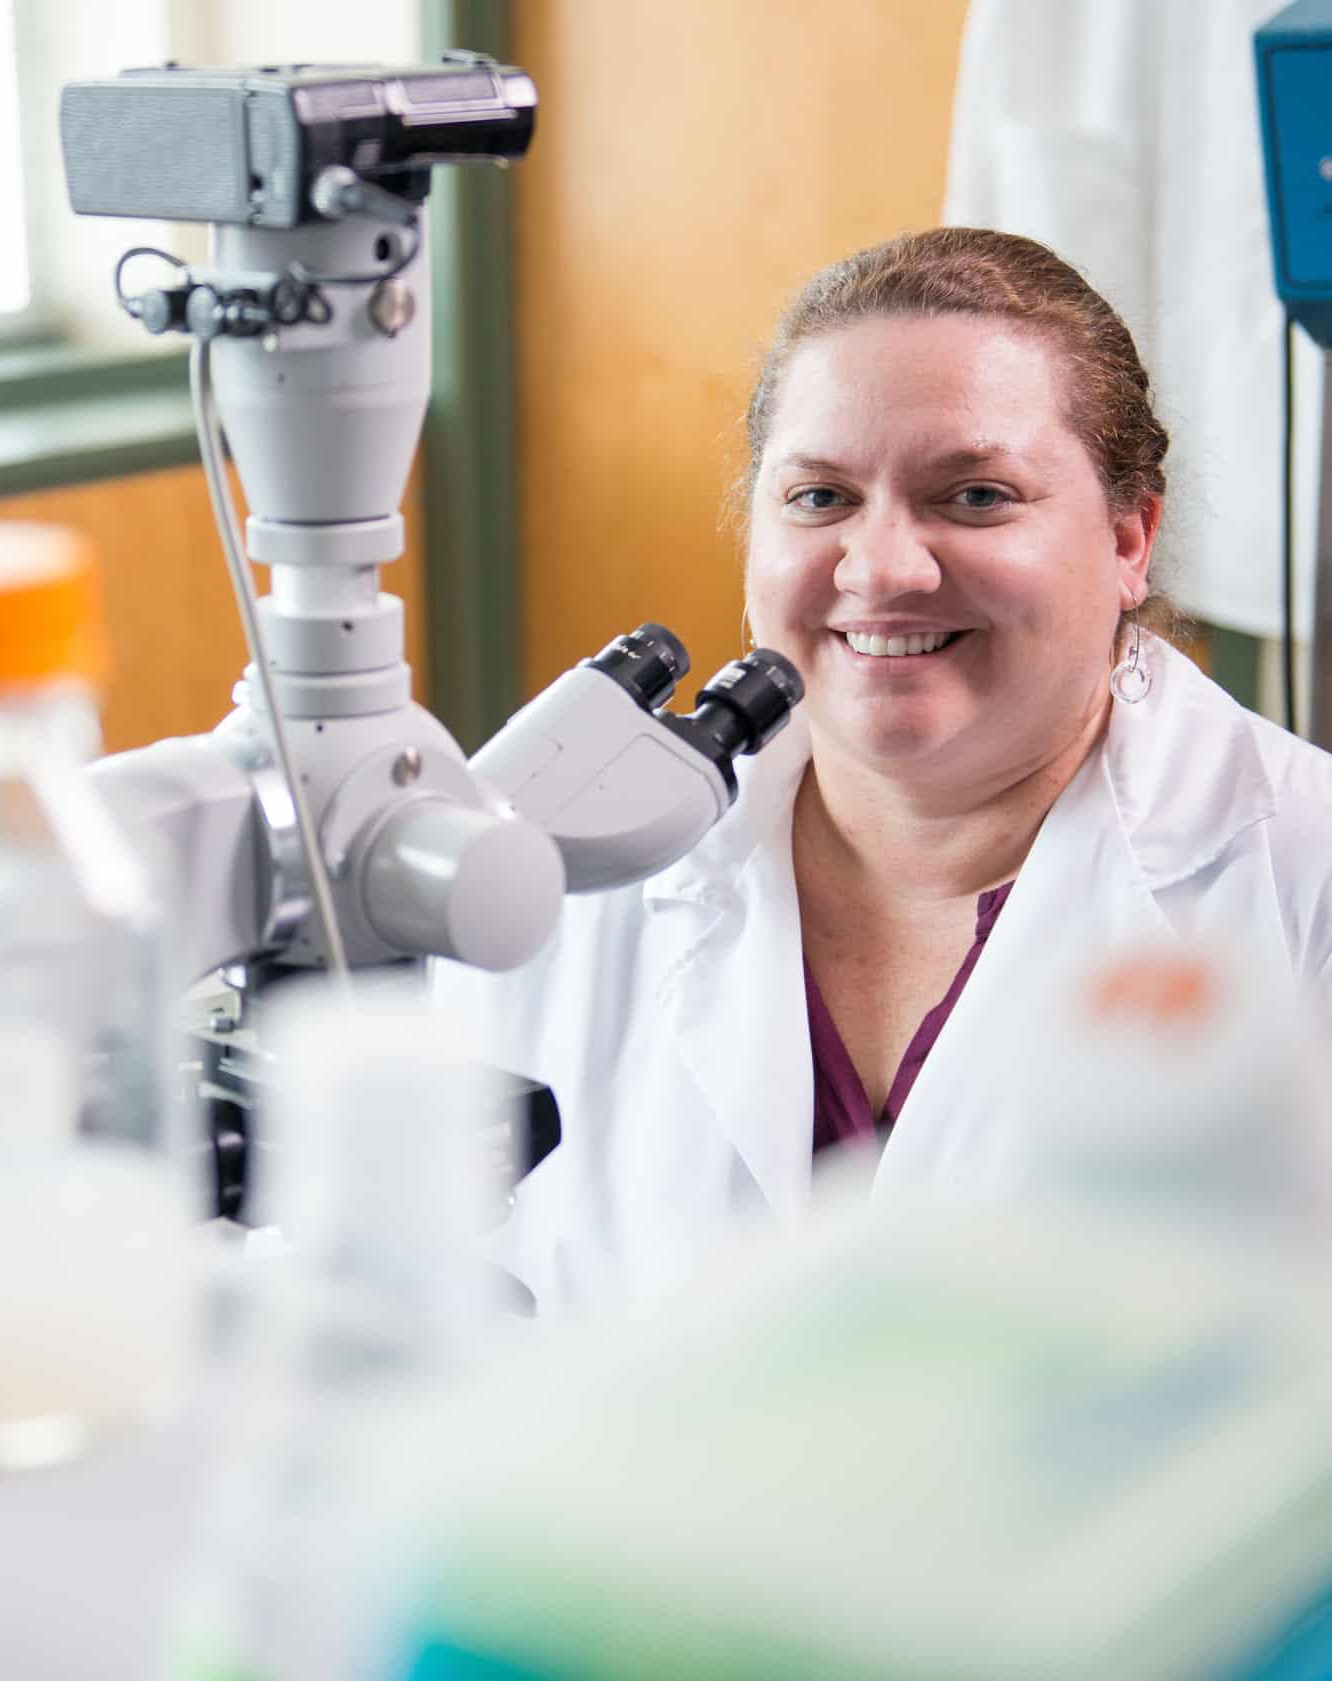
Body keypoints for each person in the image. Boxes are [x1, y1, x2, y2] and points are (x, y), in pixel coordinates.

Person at [434, 227, 1332, 1315]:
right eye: (818, 498)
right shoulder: (571, 859)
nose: (883, 568)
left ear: (1128, 540)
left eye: (975, 495)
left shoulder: (1296, 875)